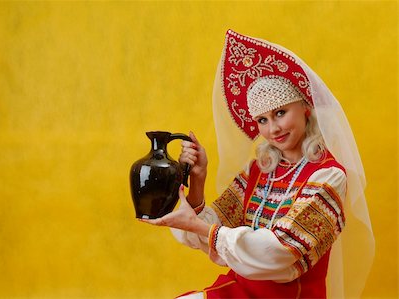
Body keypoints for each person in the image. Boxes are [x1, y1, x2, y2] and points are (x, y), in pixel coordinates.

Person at [141, 29, 374, 298]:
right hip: (241, 290)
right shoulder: (260, 170)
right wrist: (198, 178)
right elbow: (211, 231)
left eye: (280, 113)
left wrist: (196, 226)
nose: (273, 129)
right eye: (262, 120)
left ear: (305, 109)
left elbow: (279, 252)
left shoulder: (329, 176)